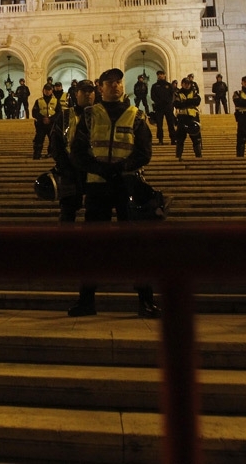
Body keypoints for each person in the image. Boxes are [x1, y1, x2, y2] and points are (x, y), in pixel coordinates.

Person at [65, 68, 159, 318]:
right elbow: (77, 152)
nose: (115, 86)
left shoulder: (137, 115)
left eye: (118, 82)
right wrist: (100, 169)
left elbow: (144, 151)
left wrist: (122, 167)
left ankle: (146, 301)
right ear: (100, 87)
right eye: (109, 83)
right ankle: (86, 301)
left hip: (127, 183)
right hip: (97, 185)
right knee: (93, 244)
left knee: (136, 244)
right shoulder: (88, 115)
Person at [50, 80, 94, 223]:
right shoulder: (65, 115)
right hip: (70, 170)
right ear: (76, 94)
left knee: (95, 213)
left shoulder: (102, 114)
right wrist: (65, 167)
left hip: (94, 171)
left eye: (91, 91)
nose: (88, 94)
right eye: (84, 91)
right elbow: (56, 144)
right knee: (67, 212)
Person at [173, 76, 202, 159]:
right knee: (180, 139)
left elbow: (197, 101)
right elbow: (176, 104)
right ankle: (178, 156)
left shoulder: (194, 92)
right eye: (185, 83)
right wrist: (190, 102)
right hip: (182, 118)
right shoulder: (177, 93)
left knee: (196, 139)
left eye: (188, 83)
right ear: (182, 84)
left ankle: (198, 156)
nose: (187, 85)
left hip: (193, 118)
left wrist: (185, 102)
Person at [31, 83, 59, 159]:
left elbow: (59, 112)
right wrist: (42, 118)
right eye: (46, 90)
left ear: (52, 90)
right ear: (43, 90)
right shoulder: (38, 101)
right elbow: (34, 112)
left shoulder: (56, 101)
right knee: (39, 139)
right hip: (41, 124)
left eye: (49, 90)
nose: (47, 91)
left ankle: (51, 153)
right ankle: (37, 153)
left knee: (53, 140)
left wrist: (51, 119)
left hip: (52, 124)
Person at [149, 70, 177, 145]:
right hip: (159, 107)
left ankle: (173, 139)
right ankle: (160, 139)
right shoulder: (154, 86)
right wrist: (159, 102)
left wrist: (169, 103)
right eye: (158, 74)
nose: (160, 76)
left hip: (168, 107)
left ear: (164, 75)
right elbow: (152, 96)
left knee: (171, 124)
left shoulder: (169, 85)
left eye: (161, 74)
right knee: (159, 124)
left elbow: (172, 95)